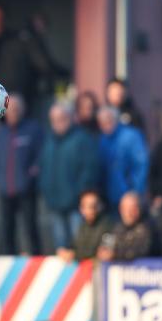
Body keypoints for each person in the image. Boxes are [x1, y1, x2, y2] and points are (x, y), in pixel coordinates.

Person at [39, 102, 100, 251]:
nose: (57, 122)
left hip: (76, 203)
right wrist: (45, 190)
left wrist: (81, 193)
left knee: (79, 243)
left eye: (62, 118)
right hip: (54, 201)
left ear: (71, 118)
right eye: (54, 119)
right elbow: (43, 168)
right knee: (60, 245)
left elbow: (89, 169)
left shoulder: (82, 139)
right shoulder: (48, 141)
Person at [0, 94, 43, 255]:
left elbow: (41, 156)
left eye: (17, 109)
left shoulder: (33, 130)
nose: (14, 112)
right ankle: (8, 261)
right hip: (4, 190)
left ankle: (36, 260)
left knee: (30, 228)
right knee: (6, 229)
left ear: (23, 110)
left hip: (26, 189)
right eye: (11, 109)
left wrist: (32, 175)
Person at [97, 106, 148, 213]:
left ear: (116, 119)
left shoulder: (132, 136)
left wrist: (135, 191)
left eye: (109, 120)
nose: (105, 125)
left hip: (128, 196)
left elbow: (141, 165)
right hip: (109, 198)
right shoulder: (102, 140)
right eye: (102, 122)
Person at [97, 192, 162, 261]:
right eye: (125, 208)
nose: (128, 213)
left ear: (139, 209)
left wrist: (115, 254)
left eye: (132, 208)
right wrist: (104, 253)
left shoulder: (149, 228)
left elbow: (140, 251)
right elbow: (104, 248)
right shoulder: (114, 228)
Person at [57, 190, 112, 262]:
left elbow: (101, 252)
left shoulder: (108, 225)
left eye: (94, 205)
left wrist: (73, 254)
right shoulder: (83, 225)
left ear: (101, 206)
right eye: (86, 205)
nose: (91, 209)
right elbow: (75, 245)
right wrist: (66, 251)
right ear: (81, 209)